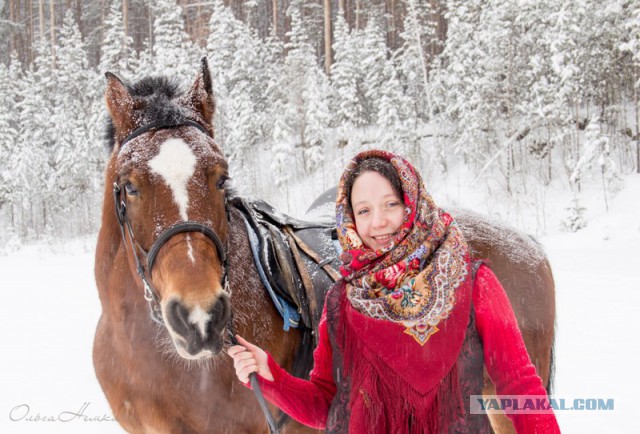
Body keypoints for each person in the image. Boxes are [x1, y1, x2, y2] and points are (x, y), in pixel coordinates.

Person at [228, 150, 560, 433]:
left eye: (391, 204)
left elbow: (519, 386)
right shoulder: (343, 302)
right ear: (350, 221)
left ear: (412, 204)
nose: (379, 222)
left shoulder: (474, 284)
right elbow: (329, 405)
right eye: (364, 211)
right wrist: (271, 376)